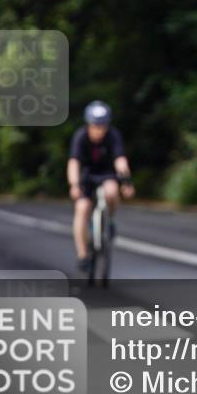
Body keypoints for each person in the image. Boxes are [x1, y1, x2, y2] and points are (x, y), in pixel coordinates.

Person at [67, 101, 134, 272]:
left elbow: (120, 160)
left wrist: (126, 182)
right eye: (96, 126)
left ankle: (110, 221)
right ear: (88, 124)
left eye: (103, 126)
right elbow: (74, 163)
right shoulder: (80, 136)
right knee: (82, 208)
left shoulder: (113, 135)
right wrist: (74, 184)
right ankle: (83, 255)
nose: (99, 130)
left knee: (111, 191)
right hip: (87, 177)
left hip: (107, 174)